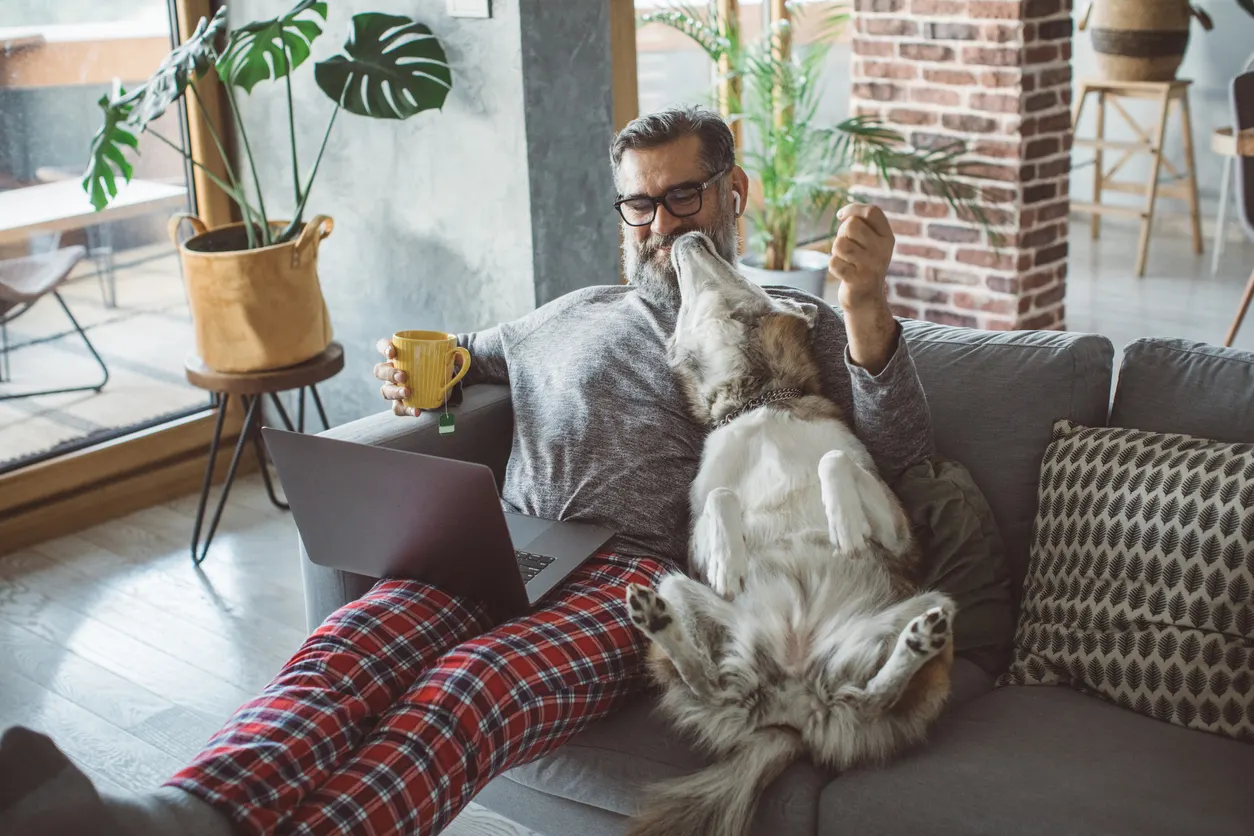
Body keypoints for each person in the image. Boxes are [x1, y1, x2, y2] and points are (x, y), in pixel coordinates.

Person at [0, 105, 932, 836]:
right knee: (340, 655)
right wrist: (417, 373)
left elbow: (896, 455)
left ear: (735, 195)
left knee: (470, 689)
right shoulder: (562, 314)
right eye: (639, 204)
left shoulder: (772, 318)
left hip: (637, 573)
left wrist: (866, 308)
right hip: (503, 542)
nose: (659, 224)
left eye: (683, 197)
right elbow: (453, 364)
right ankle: (173, 818)